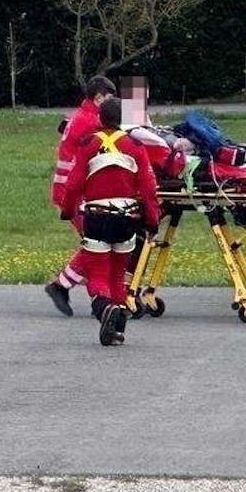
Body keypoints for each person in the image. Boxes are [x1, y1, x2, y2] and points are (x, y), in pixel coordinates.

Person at [60, 97, 161, 346]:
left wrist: (67, 210)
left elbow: (73, 184)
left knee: (97, 272)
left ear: (100, 119)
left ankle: (105, 309)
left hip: (97, 217)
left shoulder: (88, 145)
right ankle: (117, 324)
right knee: (117, 274)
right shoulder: (136, 147)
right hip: (127, 218)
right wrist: (152, 221)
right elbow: (149, 189)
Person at [44, 75, 116, 316]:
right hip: (74, 192)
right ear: (98, 98)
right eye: (109, 99)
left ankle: (66, 286)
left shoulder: (83, 116)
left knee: (97, 242)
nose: (111, 104)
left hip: (73, 189)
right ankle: (70, 288)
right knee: (97, 243)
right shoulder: (89, 121)